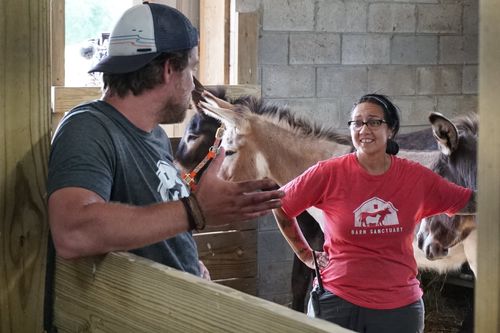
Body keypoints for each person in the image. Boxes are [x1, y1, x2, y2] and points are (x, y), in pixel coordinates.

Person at [47, 2, 283, 279]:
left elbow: (158, 221)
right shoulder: (88, 128)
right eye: (190, 69)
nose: (193, 85)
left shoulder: (155, 135)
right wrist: (196, 210)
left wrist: (189, 262)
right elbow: (72, 233)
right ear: (169, 69)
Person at [272, 93, 475, 333]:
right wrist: (306, 254)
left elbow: (470, 202)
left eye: (374, 122)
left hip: (399, 309)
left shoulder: (416, 177)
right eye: (357, 122)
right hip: (336, 303)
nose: (364, 129)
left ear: (391, 130)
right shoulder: (328, 173)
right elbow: (281, 204)